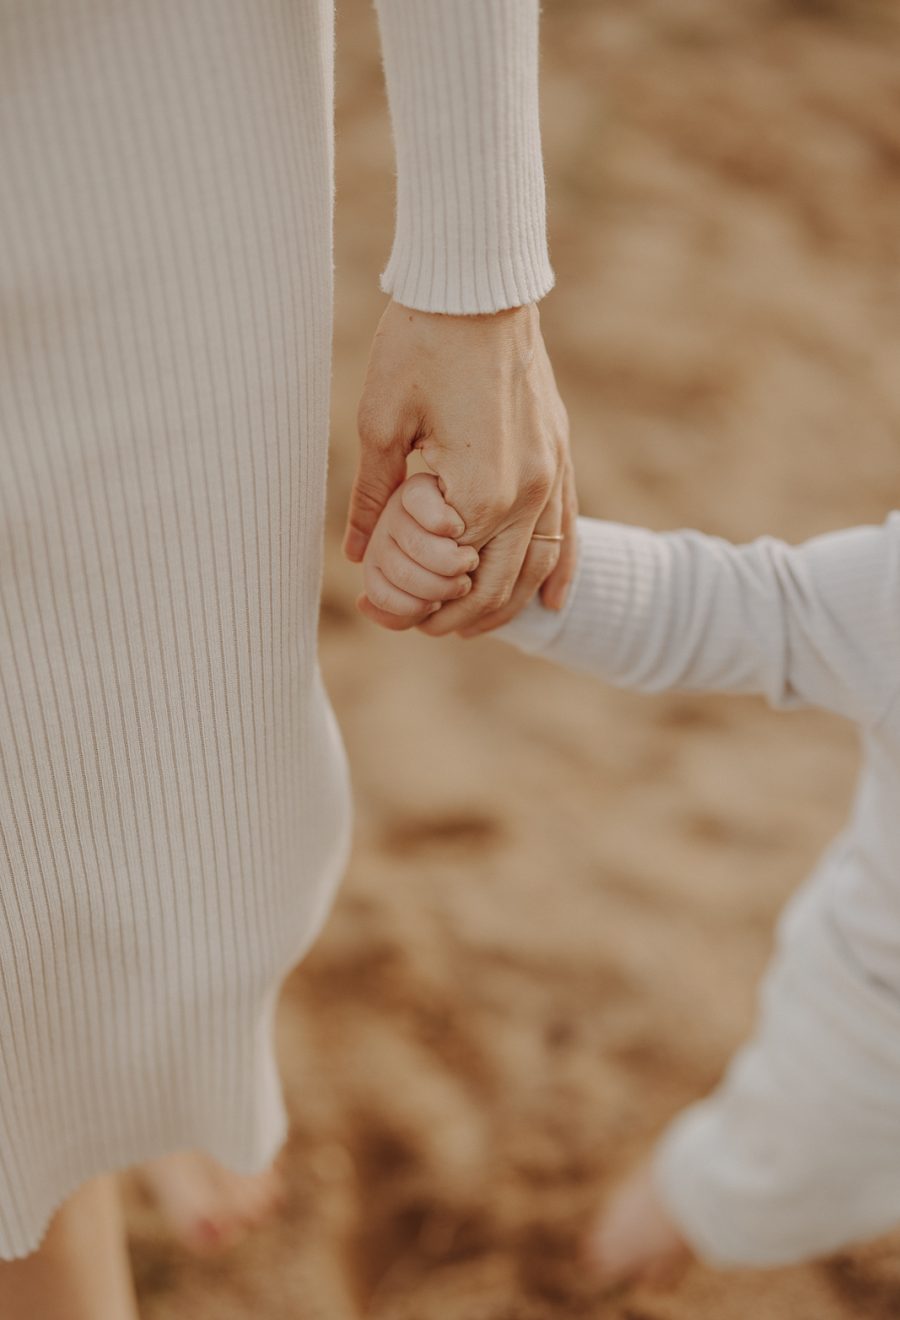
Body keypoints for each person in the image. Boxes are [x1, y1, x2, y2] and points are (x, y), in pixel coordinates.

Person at [0, 2, 575, 1315]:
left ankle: (129, 1073)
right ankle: (108, 1082)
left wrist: (478, 264)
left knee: (93, 794)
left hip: (113, 102)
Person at [362, 472, 900, 1279]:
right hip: (871, 1042)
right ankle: (627, 1241)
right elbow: (729, 604)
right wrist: (498, 567)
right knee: (747, 1186)